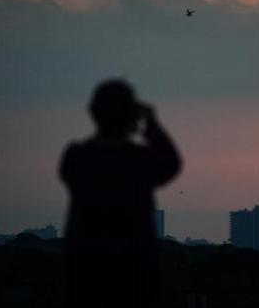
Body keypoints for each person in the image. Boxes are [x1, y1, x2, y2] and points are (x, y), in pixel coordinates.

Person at [59, 79, 182, 307]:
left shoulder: (76, 158)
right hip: (134, 274)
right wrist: (151, 125)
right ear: (131, 117)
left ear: (94, 113)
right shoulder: (139, 160)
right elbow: (171, 163)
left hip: (86, 274)